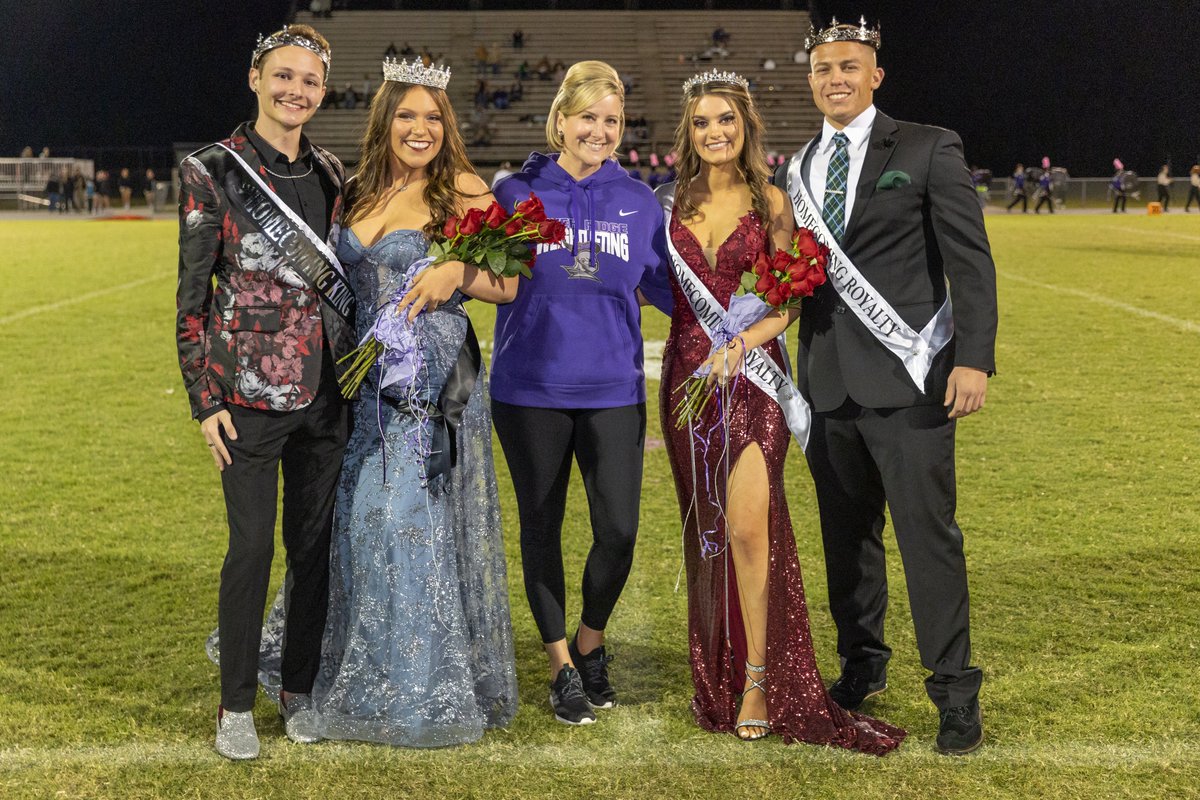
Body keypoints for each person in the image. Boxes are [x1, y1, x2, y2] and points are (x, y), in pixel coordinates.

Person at [656, 69, 904, 752]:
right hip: (687, 378)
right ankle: (719, 672)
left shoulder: (772, 202)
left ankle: (763, 678)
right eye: (703, 122)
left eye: (727, 122)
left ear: (746, 128)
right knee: (707, 528)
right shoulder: (669, 203)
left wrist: (743, 342)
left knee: (746, 527)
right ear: (689, 131)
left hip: (754, 378)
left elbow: (788, 300)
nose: (715, 133)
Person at [773, 19, 997, 755]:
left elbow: (970, 261)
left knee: (928, 539)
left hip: (911, 381)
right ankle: (861, 666)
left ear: (875, 75)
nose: (834, 77)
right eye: (822, 68)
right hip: (829, 382)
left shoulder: (929, 146)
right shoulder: (798, 166)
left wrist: (975, 358)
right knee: (847, 541)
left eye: (849, 66)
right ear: (810, 81)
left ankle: (955, 691)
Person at [286, 56, 520, 748]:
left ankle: (415, 690)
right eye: (407, 115)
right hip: (359, 389)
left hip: (426, 383)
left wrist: (456, 270)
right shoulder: (355, 189)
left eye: (433, 118)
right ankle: (362, 670)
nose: (420, 129)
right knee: (361, 528)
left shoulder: (464, 191)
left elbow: (510, 286)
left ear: (447, 127)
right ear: (385, 120)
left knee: (401, 522)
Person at [176, 24, 356, 761]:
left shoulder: (332, 171)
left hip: (325, 398)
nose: (296, 92)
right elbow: (191, 298)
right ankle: (236, 706)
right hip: (245, 397)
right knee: (250, 550)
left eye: (310, 81)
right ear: (255, 77)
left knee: (312, 551)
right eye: (284, 76)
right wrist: (203, 398)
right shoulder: (211, 170)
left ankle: (300, 691)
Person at [489, 60, 674, 726]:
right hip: (529, 386)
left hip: (613, 388)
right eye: (588, 117)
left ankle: (592, 640)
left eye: (612, 120)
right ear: (562, 119)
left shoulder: (641, 200)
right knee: (541, 527)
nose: (599, 130)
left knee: (619, 529)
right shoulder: (514, 191)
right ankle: (562, 664)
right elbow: (483, 271)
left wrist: (739, 305)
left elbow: (666, 288)